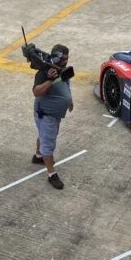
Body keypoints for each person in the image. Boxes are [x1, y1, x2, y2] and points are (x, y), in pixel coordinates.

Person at [31, 45, 74, 190]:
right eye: (65, 58)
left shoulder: (62, 70)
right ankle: (51, 174)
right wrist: (49, 79)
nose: (67, 61)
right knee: (48, 143)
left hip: (54, 114)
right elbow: (36, 92)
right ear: (58, 57)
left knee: (45, 135)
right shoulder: (44, 72)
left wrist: (69, 100)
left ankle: (38, 156)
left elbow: (66, 84)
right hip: (46, 114)